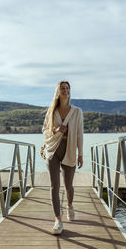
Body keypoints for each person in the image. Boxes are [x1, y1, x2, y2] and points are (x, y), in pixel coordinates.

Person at [42, 81, 83, 234]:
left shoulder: (77, 112)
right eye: (62, 89)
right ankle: (58, 220)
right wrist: (56, 129)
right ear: (58, 92)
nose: (65, 91)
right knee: (54, 186)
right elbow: (45, 130)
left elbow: (79, 134)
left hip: (70, 149)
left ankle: (70, 206)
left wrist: (81, 154)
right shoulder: (51, 111)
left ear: (70, 91)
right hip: (52, 150)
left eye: (67, 88)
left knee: (68, 185)